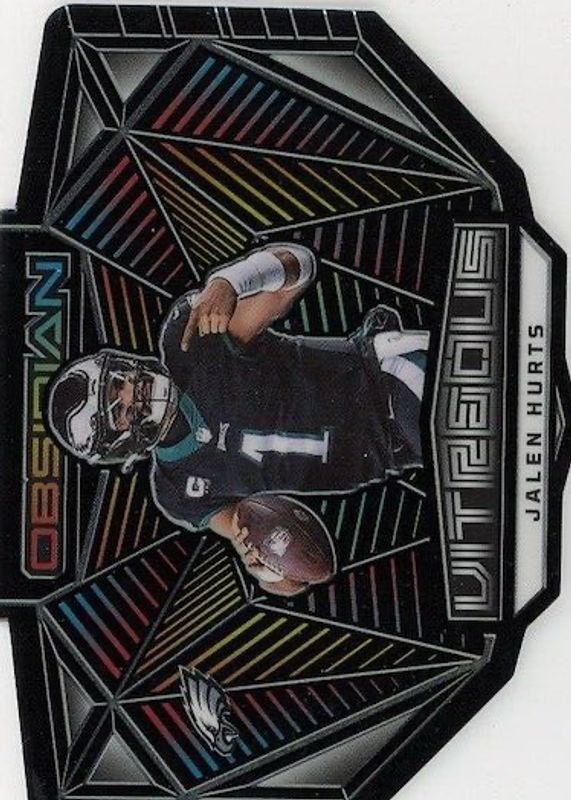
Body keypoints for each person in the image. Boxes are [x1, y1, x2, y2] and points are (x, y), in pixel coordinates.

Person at [48, 243, 429, 595]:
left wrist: (230, 282)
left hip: (389, 378)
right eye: (119, 409)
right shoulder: (177, 491)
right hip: (396, 454)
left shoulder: (188, 342)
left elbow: (298, 266)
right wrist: (266, 571)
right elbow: (289, 581)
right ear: (115, 445)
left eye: (120, 382)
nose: (132, 393)